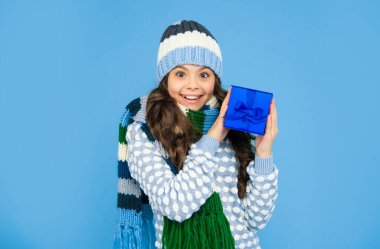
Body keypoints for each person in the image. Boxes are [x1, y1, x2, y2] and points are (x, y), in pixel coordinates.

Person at [113, 20, 279, 249]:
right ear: (165, 79)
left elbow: (255, 219)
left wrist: (263, 153)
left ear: (215, 79)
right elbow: (175, 206)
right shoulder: (145, 130)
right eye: (181, 74)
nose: (193, 85)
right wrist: (213, 137)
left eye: (204, 75)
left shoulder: (234, 124)